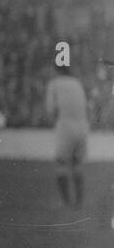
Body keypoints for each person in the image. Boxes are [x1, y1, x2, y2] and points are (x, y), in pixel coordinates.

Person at [45, 63, 89, 207]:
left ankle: (66, 202)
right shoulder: (77, 82)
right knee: (77, 164)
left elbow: (50, 110)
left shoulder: (54, 84)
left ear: (57, 71)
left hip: (65, 128)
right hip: (82, 128)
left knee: (61, 164)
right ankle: (79, 201)